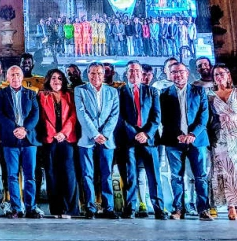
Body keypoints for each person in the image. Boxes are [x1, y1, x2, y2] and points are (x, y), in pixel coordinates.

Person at [158, 62, 213, 221]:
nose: (178, 75)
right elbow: (164, 118)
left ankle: (203, 209)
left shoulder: (199, 91)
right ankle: (178, 209)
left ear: (187, 73)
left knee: (200, 176)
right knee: (176, 176)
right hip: (174, 141)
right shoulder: (164, 94)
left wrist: (193, 134)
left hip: (197, 140)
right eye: (174, 72)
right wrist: (178, 135)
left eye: (181, 71)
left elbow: (204, 116)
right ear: (169, 75)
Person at [115, 61, 167, 220]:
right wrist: (134, 133)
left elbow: (156, 117)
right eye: (131, 71)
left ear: (142, 73)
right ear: (126, 73)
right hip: (128, 140)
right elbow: (119, 116)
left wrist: (146, 133)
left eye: (137, 70)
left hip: (149, 140)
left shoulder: (152, 91)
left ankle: (159, 209)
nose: (134, 73)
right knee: (130, 176)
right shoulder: (119, 92)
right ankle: (130, 208)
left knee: (154, 176)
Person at [74, 62, 120, 219]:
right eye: (93, 73)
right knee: (87, 174)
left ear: (104, 74)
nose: (96, 76)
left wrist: (104, 134)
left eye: (99, 73)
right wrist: (94, 134)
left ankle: (109, 208)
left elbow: (114, 115)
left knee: (107, 174)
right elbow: (82, 113)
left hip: (107, 139)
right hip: (87, 138)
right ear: (88, 74)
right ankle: (90, 208)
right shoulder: (80, 90)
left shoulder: (113, 92)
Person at [0, 66, 42, 219]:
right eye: (12, 75)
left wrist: (25, 129)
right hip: (10, 140)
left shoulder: (31, 94)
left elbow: (35, 114)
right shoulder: (1, 94)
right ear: (7, 77)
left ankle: (31, 208)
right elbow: (0, 114)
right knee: (12, 175)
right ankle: (17, 208)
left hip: (29, 140)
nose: (15, 77)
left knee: (30, 175)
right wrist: (15, 129)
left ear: (22, 77)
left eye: (17, 74)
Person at [209, 64, 237, 220]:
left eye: (221, 73)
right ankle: (231, 206)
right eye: (216, 74)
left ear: (228, 75)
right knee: (225, 171)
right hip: (220, 136)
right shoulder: (210, 95)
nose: (219, 77)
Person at [37, 69, 78, 219]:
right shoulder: (42, 96)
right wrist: (54, 133)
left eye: (59, 78)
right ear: (48, 80)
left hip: (67, 139)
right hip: (50, 139)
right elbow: (42, 117)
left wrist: (63, 133)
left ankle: (69, 210)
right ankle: (56, 209)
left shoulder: (70, 95)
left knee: (69, 173)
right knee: (52, 174)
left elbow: (73, 116)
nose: (56, 81)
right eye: (53, 78)